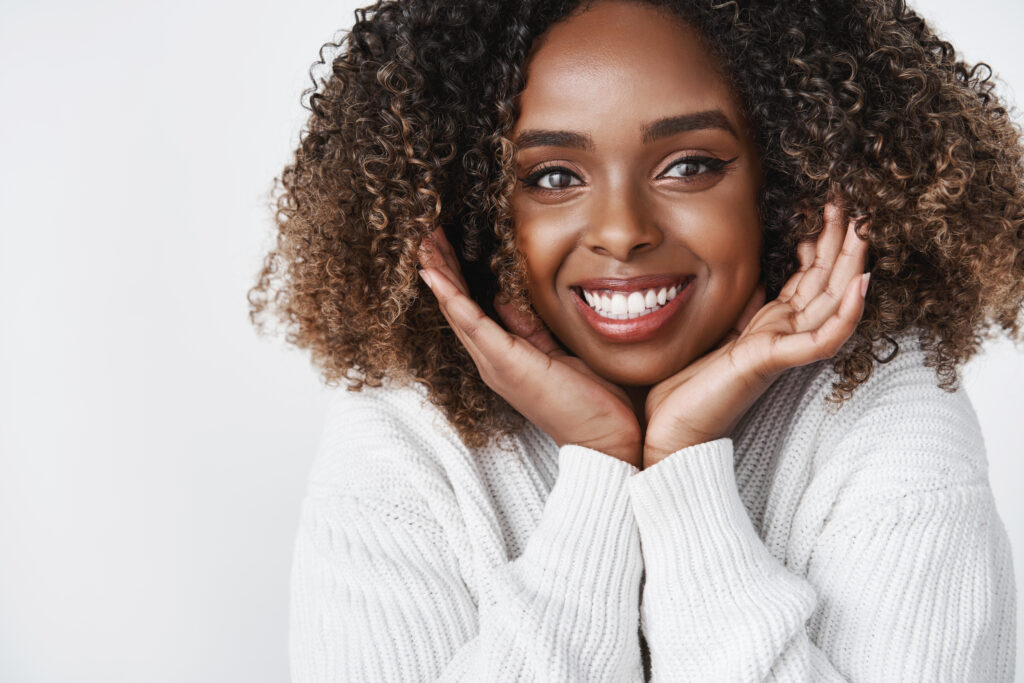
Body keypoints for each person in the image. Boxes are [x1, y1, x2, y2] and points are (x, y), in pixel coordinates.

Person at [248, 0, 1022, 680]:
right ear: (478, 202)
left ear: (785, 177)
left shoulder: (884, 409)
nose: (622, 232)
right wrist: (599, 470)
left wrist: (684, 468)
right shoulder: (404, 437)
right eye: (553, 176)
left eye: (688, 165)